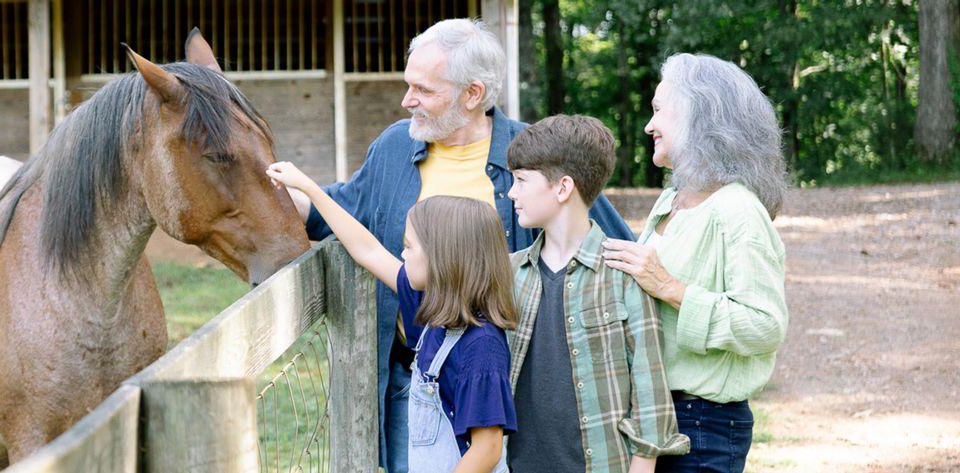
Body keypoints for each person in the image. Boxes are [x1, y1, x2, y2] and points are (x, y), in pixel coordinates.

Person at [284, 18, 635, 471]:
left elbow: (608, 245)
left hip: (511, 381)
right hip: (420, 375)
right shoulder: (395, 146)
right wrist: (278, 193)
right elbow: (347, 216)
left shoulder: (533, 154)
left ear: (472, 94)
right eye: (409, 85)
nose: (406, 100)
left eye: (423, 90)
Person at [599, 53, 790, 473]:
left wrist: (671, 288)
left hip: (704, 426)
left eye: (658, 110)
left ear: (697, 116)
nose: (649, 125)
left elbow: (765, 325)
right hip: (656, 415)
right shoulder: (672, 200)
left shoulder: (738, 211)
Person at [270, 161, 516, 473]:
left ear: (443, 260)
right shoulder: (432, 308)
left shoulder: (481, 348)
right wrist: (309, 188)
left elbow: (487, 449)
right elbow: (367, 249)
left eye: (409, 247)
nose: (402, 255)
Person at [502, 115, 690, 473]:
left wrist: (643, 464)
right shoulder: (510, 273)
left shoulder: (624, 273)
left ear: (562, 188)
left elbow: (649, 388)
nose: (512, 192)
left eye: (521, 180)